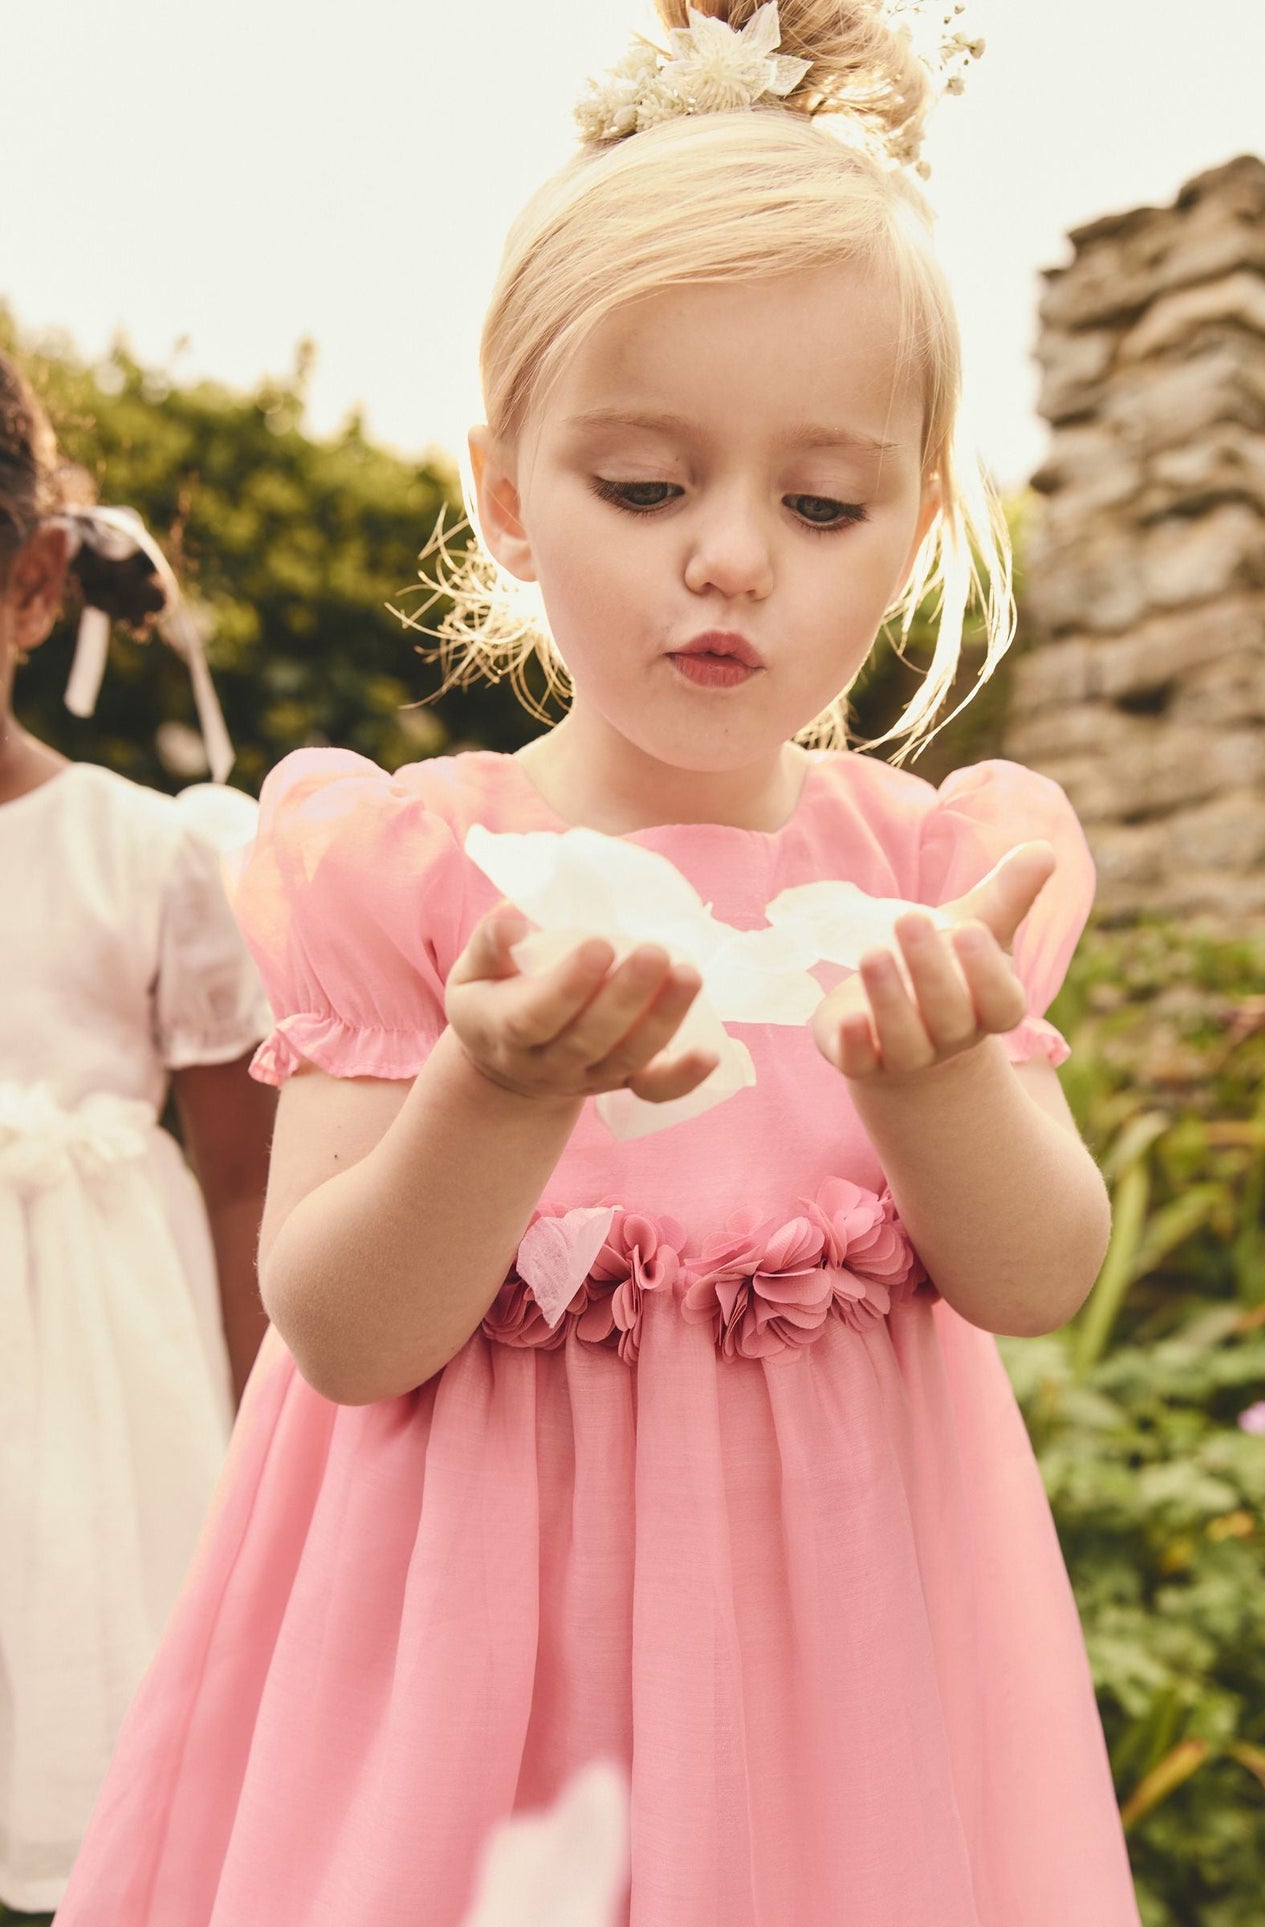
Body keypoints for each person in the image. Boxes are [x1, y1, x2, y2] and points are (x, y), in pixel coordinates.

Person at [57, 4, 1141, 1922]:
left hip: (834, 1713)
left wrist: (932, 1082)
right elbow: (340, 1327)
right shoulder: (410, 869)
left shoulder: (923, 875)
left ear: (912, 525)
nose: (732, 559)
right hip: (475, 1709)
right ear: (503, 483)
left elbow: (1041, 1275)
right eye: (644, 486)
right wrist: (494, 1093)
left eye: (822, 503)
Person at [0, 350, 275, 1917]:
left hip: (101, 1419)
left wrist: (262, 1477)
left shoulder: (152, 855)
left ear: (36, 585)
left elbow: (246, 1186)